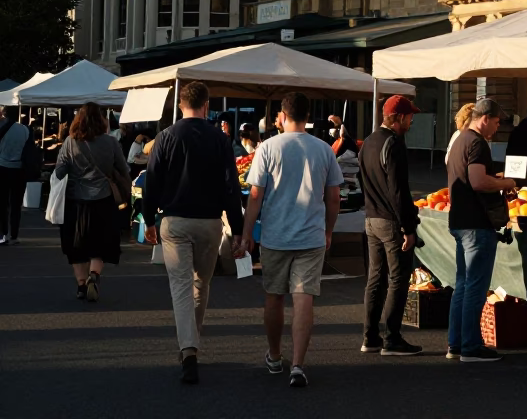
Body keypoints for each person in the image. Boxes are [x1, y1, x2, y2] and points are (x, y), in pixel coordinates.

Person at [143, 81, 246, 384]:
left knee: (180, 286)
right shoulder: (220, 139)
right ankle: (192, 341)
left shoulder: (166, 137)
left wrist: (148, 218)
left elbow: (152, 181)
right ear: (207, 105)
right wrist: (238, 230)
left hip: (174, 220)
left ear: (180, 105)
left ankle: (189, 348)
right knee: (202, 283)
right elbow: (231, 188)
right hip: (210, 222)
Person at [241, 92, 343, 388]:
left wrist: (247, 234)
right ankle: (298, 365)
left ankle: (275, 356)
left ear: (282, 117)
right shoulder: (323, 149)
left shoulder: (268, 148)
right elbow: (334, 197)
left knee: (274, 297)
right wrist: (328, 230)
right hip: (311, 236)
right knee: (304, 300)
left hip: (275, 236)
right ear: (307, 116)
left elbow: (256, 195)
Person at [445, 98, 516, 363]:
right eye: (496, 123)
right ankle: (471, 347)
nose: (496, 129)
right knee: (475, 286)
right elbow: (476, 181)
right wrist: (505, 182)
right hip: (477, 223)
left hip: (460, 221)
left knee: (462, 285)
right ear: (485, 118)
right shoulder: (477, 143)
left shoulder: (459, 140)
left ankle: (456, 344)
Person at [359, 95, 424, 356]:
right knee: (398, 278)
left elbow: (362, 180)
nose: (411, 121)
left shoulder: (369, 142)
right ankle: (392, 339)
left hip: (371, 218)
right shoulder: (393, 144)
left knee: (375, 279)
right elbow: (399, 191)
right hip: (390, 221)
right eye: (409, 117)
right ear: (398, 118)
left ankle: (370, 337)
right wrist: (408, 227)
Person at [54, 103, 129, 303]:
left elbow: (59, 171)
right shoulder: (111, 142)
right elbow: (123, 169)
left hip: (75, 201)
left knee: (76, 245)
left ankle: (80, 285)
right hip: (104, 199)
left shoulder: (70, 142)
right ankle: (94, 275)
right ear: (102, 120)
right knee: (100, 243)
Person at [0, 104, 38, 245]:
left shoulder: (1, 127)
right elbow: (30, 150)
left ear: (5, 113)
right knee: (16, 204)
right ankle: (14, 235)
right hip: (19, 169)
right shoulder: (25, 129)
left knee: (2, 203)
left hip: (2, 167)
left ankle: (2, 234)